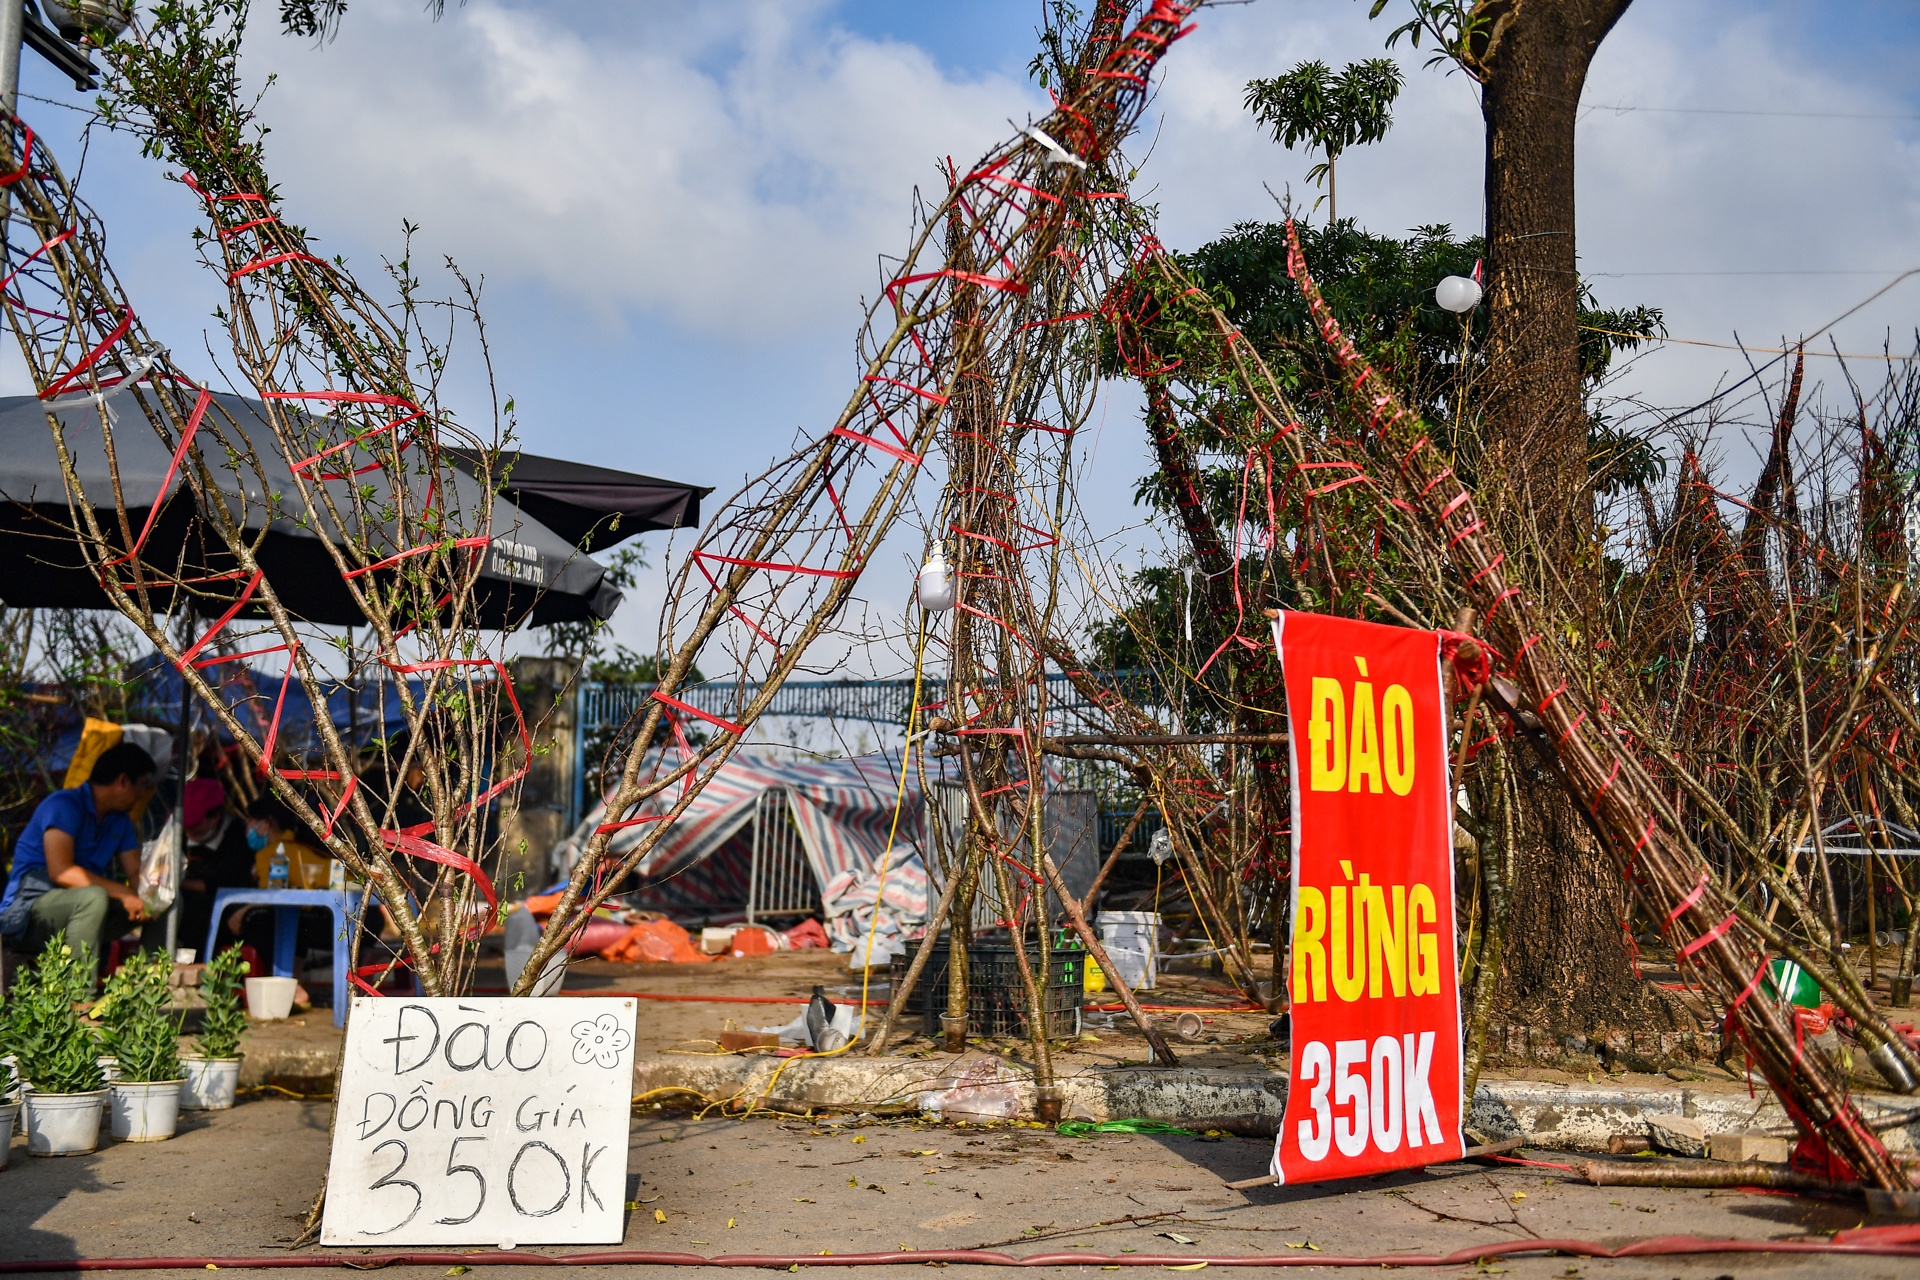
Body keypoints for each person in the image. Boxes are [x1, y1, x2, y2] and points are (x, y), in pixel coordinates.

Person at [0, 742, 157, 975]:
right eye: (142, 785)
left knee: (162, 901)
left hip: (85, 909)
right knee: (93, 898)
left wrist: (155, 891)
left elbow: (135, 876)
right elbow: (61, 872)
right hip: (28, 915)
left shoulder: (121, 821)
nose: (143, 794)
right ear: (123, 781)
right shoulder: (64, 805)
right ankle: (77, 998)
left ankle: (153, 982)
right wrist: (124, 893)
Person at [176, 778, 256, 961]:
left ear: (215, 817)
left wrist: (180, 883)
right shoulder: (178, 835)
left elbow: (222, 881)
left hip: (226, 907)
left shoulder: (237, 837)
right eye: (186, 828)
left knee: (198, 911)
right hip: (187, 900)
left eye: (195, 827)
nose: (190, 834)